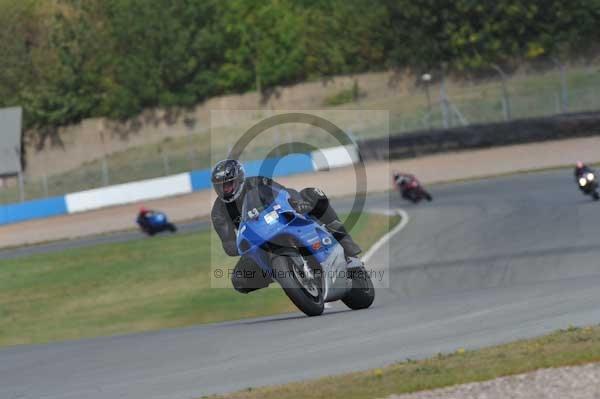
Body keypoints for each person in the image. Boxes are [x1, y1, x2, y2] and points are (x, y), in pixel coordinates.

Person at [210, 159, 362, 294]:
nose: (225, 190)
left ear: (239, 179)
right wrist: (241, 245)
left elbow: (284, 193)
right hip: (258, 243)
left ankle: (347, 246)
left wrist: (297, 203)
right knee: (240, 279)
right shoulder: (218, 212)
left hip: (282, 221)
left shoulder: (258, 182)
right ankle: (283, 275)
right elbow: (228, 244)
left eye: (228, 185)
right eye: (221, 187)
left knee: (312, 194)